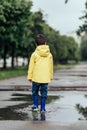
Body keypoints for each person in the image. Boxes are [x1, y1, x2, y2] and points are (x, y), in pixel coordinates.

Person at [27, 34, 53, 120]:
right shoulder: (49, 55)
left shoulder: (34, 54)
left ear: (36, 44)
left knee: (35, 92)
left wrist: (29, 76)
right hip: (45, 78)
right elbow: (51, 67)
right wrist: (50, 76)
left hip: (36, 78)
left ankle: (35, 106)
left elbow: (31, 66)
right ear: (45, 43)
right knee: (44, 93)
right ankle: (42, 108)